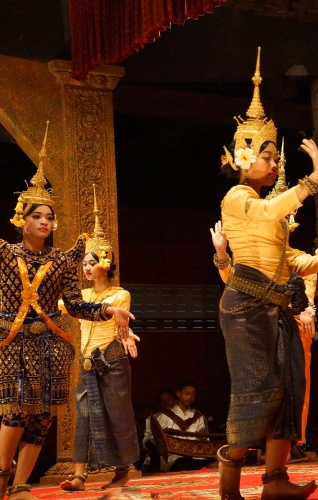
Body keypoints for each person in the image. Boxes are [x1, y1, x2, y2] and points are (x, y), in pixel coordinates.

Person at [215, 48, 318, 500]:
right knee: (257, 391)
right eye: (266, 155)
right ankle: (228, 483)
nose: (274, 161)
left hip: (275, 306)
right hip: (245, 309)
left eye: (274, 155)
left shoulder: (265, 208)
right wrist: (311, 182)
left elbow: (289, 261)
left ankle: (275, 482)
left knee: (288, 390)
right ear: (242, 158)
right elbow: (267, 213)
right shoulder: (238, 200)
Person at [0, 123, 134, 500]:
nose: (45, 222)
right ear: (21, 218)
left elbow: (75, 304)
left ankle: (22, 484)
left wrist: (109, 312)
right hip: (13, 340)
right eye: (37, 216)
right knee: (15, 411)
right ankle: (1, 479)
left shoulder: (61, 261)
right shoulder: (5, 254)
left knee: (42, 417)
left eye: (49, 217)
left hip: (52, 344)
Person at [59, 187, 141, 492]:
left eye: (91, 263)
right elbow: (64, 305)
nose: (86, 268)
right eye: (84, 264)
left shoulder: (121, 295)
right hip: (87, 363)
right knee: (83, 415)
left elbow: (116, 321)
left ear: (105, 262)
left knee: (117, 414)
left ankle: (122, 470)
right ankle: (80, 476)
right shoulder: (80, 297)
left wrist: (126, 332)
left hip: (111, 359)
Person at [156, 381, 213, 472]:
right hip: (174, 458)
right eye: (187, 394)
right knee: (183, 462)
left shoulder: (198, 416)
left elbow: (205, 442)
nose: (189, 397)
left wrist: (203, 436)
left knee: (205, 463)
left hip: (196, 457)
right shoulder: (165, 416)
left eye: (193, 395)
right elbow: (157, 440)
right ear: (179, 394)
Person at [141, 388, 177, 471]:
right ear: (158, 404)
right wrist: (156, 441)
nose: (166, 403)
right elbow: (146, 440)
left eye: (169, 399)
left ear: (175, 401)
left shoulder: (181, 417)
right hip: (159, 454)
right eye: (162, 400)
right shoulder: (152, 419)